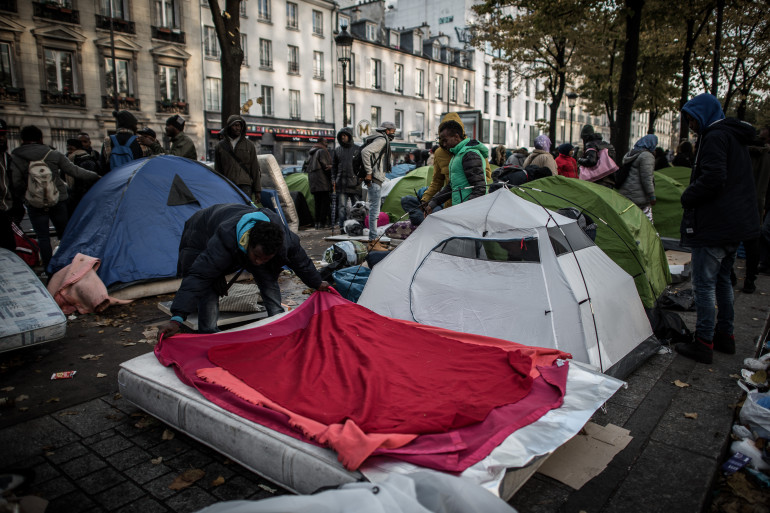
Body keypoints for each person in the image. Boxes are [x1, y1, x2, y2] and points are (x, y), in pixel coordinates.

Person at [157, 204, 330, 339]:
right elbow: (199, 276)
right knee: (208, 286)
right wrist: (177, 318)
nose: (259, 261)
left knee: (267, 276)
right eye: (256, 256)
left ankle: (277, 323)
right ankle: (208, 333)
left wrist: (317, 282)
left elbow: (302, 262)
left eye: (265, 257)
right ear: (248, 243)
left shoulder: (285, 241)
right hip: (200, 232)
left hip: (234, 232)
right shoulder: (226, 238)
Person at [674, 93, 759, 364]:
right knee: (723, 281)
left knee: (704, 284)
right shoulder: (734, 136)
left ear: (702, 115)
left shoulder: (714, 137)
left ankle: (703, 342)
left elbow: (714, 177)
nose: (690, 125)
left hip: (715, 224)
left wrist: (688, 196)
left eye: (691, 119)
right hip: (735, 224)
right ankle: (726, 336)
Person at [10, 125, 100, 269]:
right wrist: (96, 176)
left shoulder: (16, 157)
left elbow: (15, 182)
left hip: (35, 203)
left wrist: (26, 197)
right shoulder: (51, 154)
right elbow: (74, 171)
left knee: (43, 237)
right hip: (58, 199)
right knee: (64, 234)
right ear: (40, 138)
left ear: (22, 139)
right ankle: (69, 265)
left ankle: (48, 268)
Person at [422, 113, 493, 214]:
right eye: (442, 141)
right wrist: (432, 202)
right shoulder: (458, 154)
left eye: (445, 140)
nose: (444, 144)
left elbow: (480, 188)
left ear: (456, 136)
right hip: (458, 209)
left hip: (469, 212)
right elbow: (451, 186)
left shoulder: (469, 154)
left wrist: (464, 210)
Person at [742, 126, 770, 293]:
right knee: (752, 244)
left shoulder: (743, 154)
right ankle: (750, 279)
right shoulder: (765, 156)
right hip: (758, 205)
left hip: (742, 204)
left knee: (735, 241)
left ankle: (737, 277)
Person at [361, 122, 396, 242]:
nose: (394, 134)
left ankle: (373, 237)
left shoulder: (377, 138)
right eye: (392, 131)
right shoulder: (382, 140)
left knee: (374, 208)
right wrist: (369, 172)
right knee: (375, 209)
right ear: (387, 131)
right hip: (375, 177)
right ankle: (373, 239)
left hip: (375, 177)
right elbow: (365, 152)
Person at [215, 115, 261, 202]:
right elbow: (218, 170)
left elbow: (254, 168)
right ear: (229, 127)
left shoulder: (249, 145)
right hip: (227, 185)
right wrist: (218, 188)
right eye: (234, 125)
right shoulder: (220, 146)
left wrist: (257, 190)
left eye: (239, 125)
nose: (237, 128)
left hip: (245, 186)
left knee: (245, 211)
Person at [618, 134, 657, 222]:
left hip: (627, 192)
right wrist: (652, 195)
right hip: (639, 195)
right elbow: (647, 178)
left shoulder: (631, 153)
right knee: (646, 222)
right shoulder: (647, 156)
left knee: (630, 220)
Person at [331, 127, 360, 231]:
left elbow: (361, 166)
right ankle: (342, 227)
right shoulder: (337, 150)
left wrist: (359, 179)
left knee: (357, 207)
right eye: (341, 136)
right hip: (341, 183)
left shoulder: (357, 149)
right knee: (341, 207)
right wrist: (333, 179)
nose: (343, 137)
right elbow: (334, 167)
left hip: (354, 183)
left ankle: (357, 225)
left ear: (349, 136)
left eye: (345, 135)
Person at [0, 119, 19, 251]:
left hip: (6, 211)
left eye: (3, 134)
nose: (2, 138)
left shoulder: (6, 158)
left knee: (9, 248)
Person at [65, 137, 99, 212]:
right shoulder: (69, 161)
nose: (69, 152)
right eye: (68, 149)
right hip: (74, 197)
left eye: (71, 149)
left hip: (82, 198)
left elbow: (87, 182)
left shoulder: (86, 160)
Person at [307, 138, 333, 229]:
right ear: (321, 142)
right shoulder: (322, 151)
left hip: (313, 181)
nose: (326, 144)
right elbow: (326, 166)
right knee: (324, 203)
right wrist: (331, 175)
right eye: (325, 142)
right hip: (322, 182)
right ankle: (322, 223)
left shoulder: (311, 152)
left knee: (317, 203)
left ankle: (317, 223)